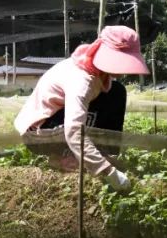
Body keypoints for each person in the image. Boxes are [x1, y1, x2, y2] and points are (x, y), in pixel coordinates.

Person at [14, 25, 149, 193]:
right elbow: (74, 131)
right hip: (39, 134)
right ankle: (63, 157)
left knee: (116, 92)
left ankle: (102, 154)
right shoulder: (81, 81)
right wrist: (109, 172)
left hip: (60, 125)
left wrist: (105, 157)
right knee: (79, 132)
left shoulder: (99, 75)